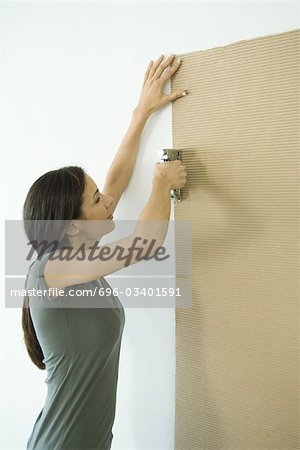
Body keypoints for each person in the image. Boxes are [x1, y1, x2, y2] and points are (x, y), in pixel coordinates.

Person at [22, 54, 188, 449]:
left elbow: (114, 181)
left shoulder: (79, 252)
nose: (108, 202)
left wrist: (142, 111)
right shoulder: (52, 269)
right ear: (74, 224)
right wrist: (162, 185)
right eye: (96, 200)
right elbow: (144, 243)